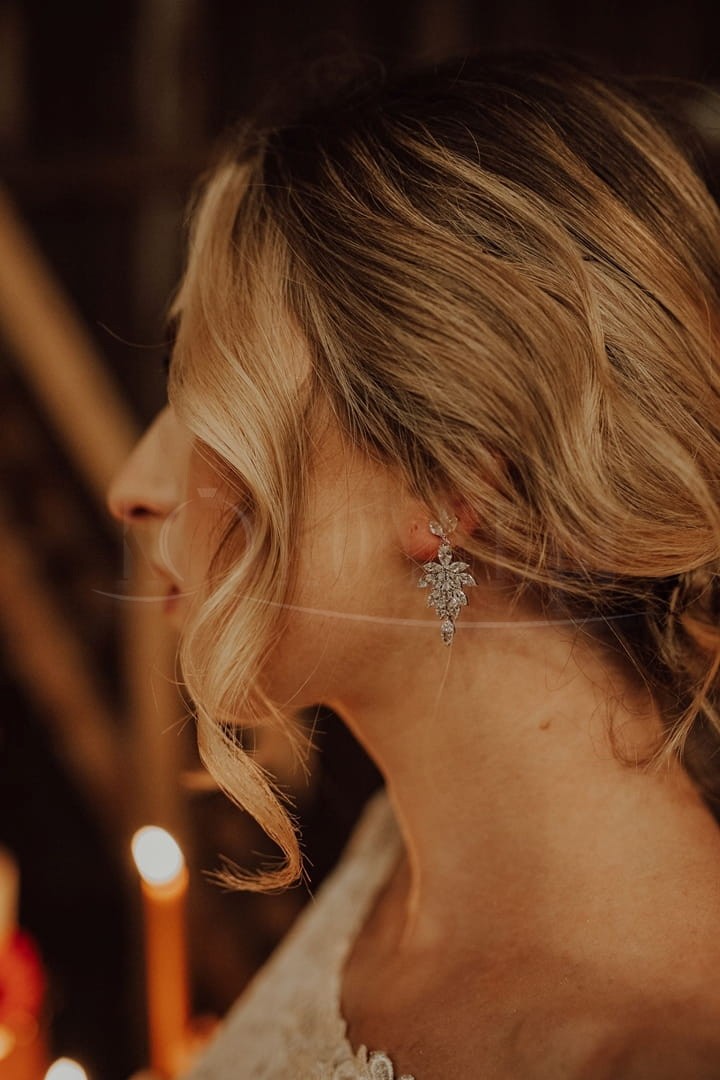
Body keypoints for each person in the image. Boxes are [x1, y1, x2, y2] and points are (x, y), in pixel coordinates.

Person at [107, 47, 720, 1079]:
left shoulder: (659, 1049)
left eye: (211, 396)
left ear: (448, 478)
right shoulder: (394, 856)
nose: (133, 484)